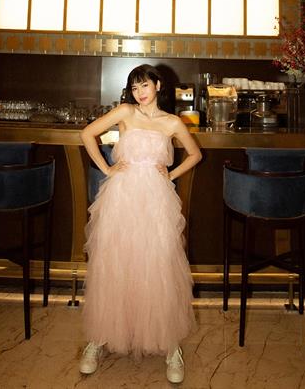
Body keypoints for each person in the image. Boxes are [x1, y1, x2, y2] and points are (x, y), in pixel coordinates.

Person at [79, 64, 202, 384]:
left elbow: (195, 155)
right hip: (121, 195)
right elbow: (87, 134)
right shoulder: (125, 112)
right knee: (114, 262)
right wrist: (107, 169)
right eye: (134, 88)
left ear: (158, 85)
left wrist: (171, 174)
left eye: (144, 85)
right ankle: (98, 338)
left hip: (157, 199)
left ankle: (171, 346)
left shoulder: (172, 122)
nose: (140, 93)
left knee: (159, 265)